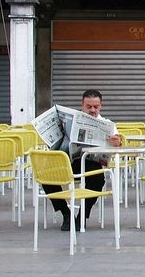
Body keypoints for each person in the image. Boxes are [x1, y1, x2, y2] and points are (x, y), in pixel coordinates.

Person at [43, 89, 122, 231]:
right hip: (68, 161)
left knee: (98, 179)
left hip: (90, 164)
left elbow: (117, 143)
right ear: (82, 105)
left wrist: (118, 142)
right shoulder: (72, 121)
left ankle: (82, 216)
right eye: (89, 106)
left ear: (101, 106)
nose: (92, 110)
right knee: (46, 176)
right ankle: (66, 214)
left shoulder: (108, 124)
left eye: (96, 107)